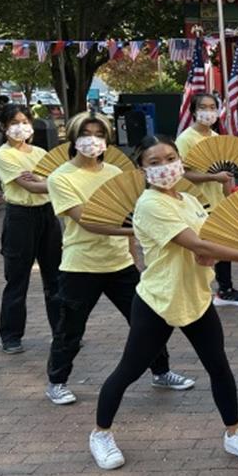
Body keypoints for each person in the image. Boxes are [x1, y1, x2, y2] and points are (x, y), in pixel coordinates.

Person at [89, 135, 238, 471]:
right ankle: (100, 433)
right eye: (155, 162)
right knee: (129, 370)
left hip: (196, 298)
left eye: (170, 158)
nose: (165, 167)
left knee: (218, 366)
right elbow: (195, 242)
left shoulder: (187, 200)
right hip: (159, 301)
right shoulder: (151, 204)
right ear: (142, 169)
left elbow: (206, 239)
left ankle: (234, 433)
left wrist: (206, 254)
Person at [44, 112, 194, 405]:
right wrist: (137, 228)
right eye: (86, 133)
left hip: (120, 264)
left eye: (99, 135)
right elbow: (87, 220)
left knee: (147, 321)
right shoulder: (60, 177)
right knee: (70, 328)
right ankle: (57, 381)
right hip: (80, 265)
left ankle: (161, 371)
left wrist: (134, 254)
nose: (93, 140)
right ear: (73, 138)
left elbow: (127, 213)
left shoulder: (115, 173)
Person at [0, 104, 62, 354]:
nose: (21, 127)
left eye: (24, 121)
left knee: (55, 278)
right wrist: (53, 182)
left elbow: (49, 180)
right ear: (3, 127)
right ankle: (11, 336)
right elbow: (29, 186)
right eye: (14, 123)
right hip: (20, 217)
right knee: (17, 278)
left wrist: (47, 181)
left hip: (48, 215)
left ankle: (62, 332)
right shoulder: (3, 155)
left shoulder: (41, 152)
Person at [177, 93, 238, 308]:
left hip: (218, 201)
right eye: (203, 107)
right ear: (193, 111)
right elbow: (180, 174)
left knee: (222, 243)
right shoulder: (186, 139)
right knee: (201, 248)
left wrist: (228, 193)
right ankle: (200, 289)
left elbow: (226, 171)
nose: (208, 112)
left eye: (212, 107)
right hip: (196, 202)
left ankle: (225, 288)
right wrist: (212, 177)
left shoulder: (216, 138)